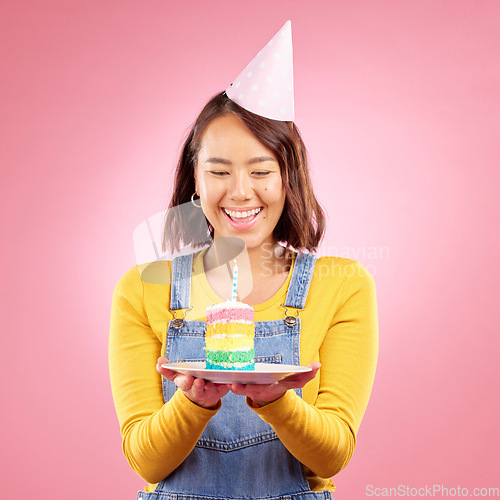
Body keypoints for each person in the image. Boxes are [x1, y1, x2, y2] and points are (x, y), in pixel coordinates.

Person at [109, 22, 378, 500]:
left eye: (260, 171)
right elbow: (144, 460)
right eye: (218, 171)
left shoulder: (343, 285)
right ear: (195, 179)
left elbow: (332, 455)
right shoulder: (142, 288)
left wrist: (274, 398)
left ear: (288, 179)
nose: (239, 192)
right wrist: (193, 402)